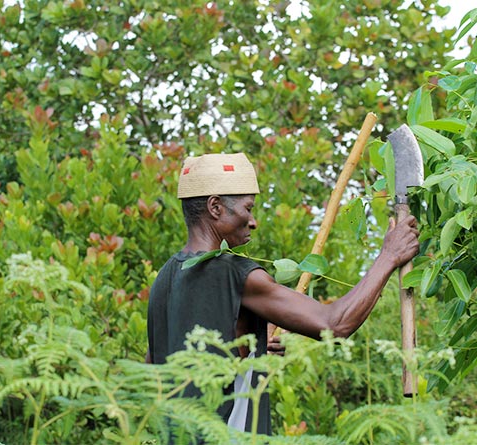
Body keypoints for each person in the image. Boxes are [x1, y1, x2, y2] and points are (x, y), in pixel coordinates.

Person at [146, 152, 419, 437]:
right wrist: (389, 256)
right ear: (215, 207)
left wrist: (250, 353)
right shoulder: (232, 273)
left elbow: (158, 365)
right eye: (247, 208)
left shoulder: (165, 277)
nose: (253, 221)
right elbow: (334, 324)